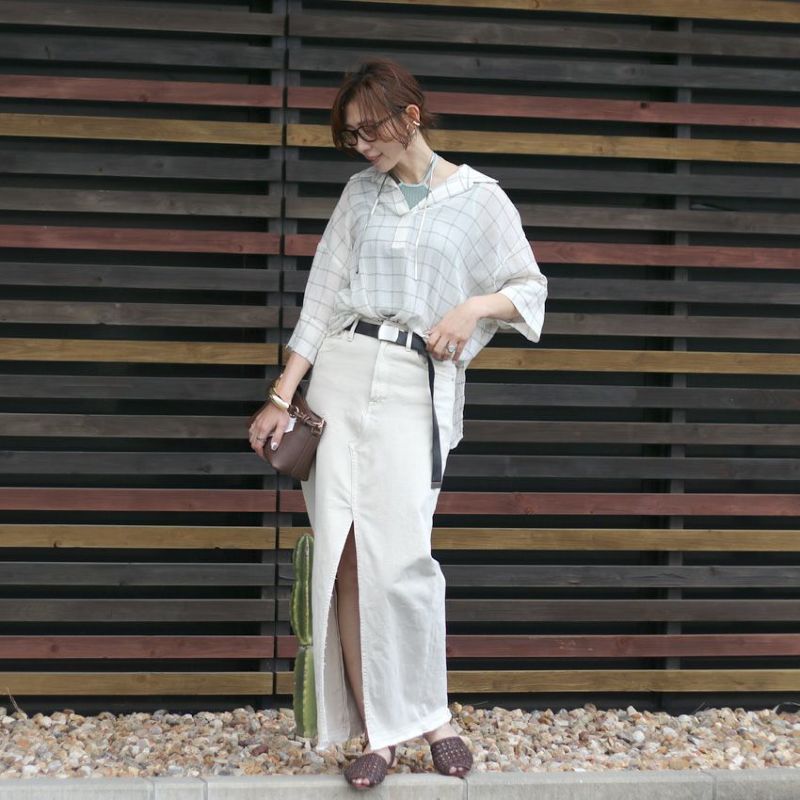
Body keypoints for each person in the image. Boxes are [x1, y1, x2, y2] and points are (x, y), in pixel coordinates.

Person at [248, 57, 547, 789]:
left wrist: (472, 308)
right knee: (348, 556)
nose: (360, 146)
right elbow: (321, 299)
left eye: (368, 131)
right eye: (350, 137)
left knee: (405, 559)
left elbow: (529, 289)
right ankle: (377, 735)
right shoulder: (360, 194)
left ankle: (433, 716)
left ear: (410, 117)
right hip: (342, 375)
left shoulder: (481, 200)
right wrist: (282, 395)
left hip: (417, 385)